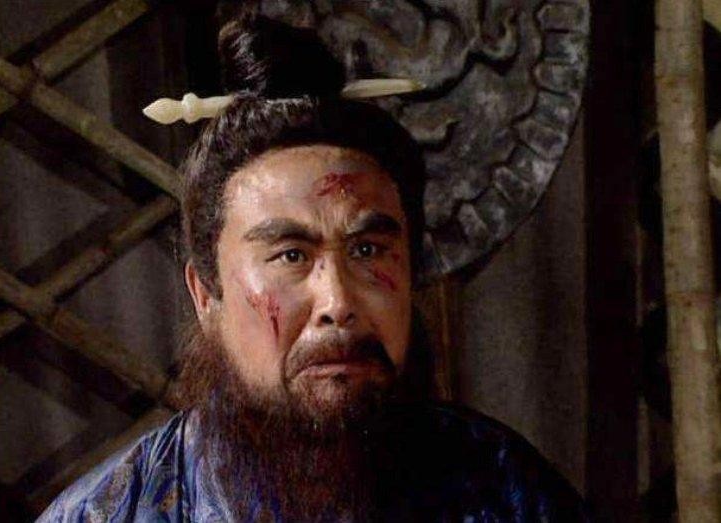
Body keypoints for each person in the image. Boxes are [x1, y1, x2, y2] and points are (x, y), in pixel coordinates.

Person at [37, 18, 586, 522]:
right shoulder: (111, 512)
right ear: (206, 294)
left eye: (367, 250)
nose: (338, 302)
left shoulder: (507, 494)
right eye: (291, 256)